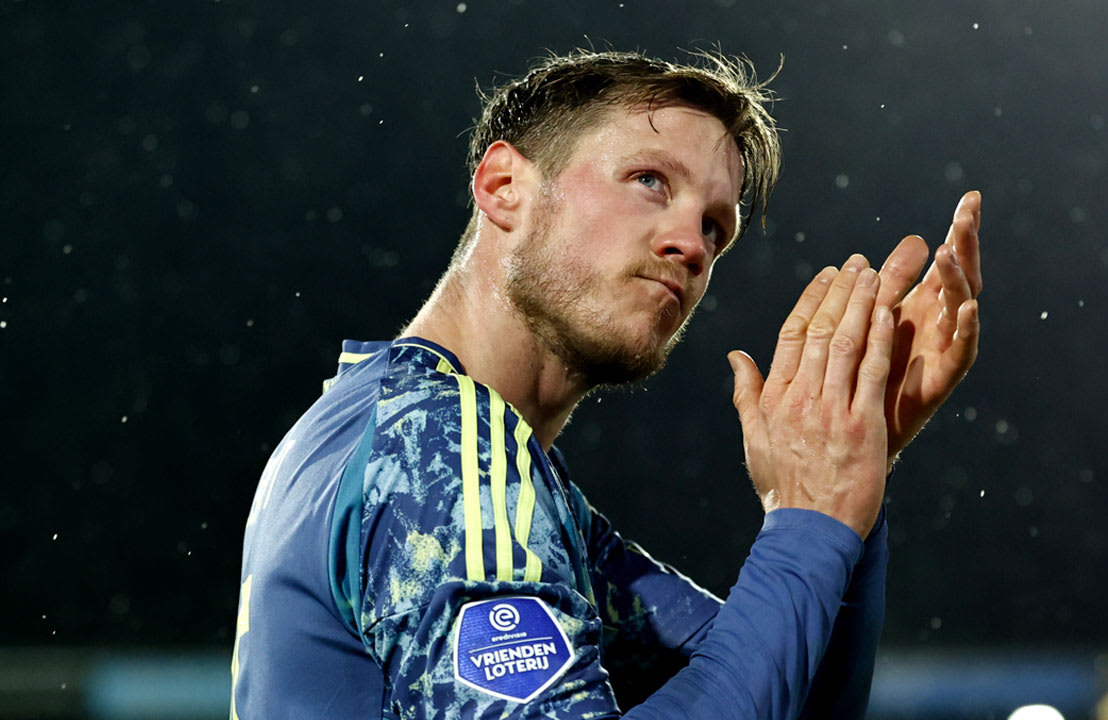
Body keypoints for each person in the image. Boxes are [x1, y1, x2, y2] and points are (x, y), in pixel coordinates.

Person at [230, 49, 982, 719]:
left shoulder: (402, 431)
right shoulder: (441, 448)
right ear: (503, 185)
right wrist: (809, 518)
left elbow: (790, 694)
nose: (692, 245)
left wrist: (848, 480)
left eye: (715, 227)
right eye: (649, 181)